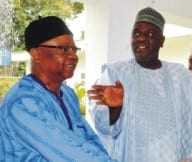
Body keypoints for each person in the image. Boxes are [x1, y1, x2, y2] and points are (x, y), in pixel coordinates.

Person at [88, 7, 192, 162]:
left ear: (162, 41)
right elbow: (102, 126)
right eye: (136, 33)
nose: (141, 38)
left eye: (149, 34)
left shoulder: (180, 75)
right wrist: (115, 109)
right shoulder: (116, 74)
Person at [0, 16, 115, 161]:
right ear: (37, 54)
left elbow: (87, 139)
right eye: (63, 49)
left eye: (74, 49)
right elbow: (70, 153)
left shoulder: (67, 94)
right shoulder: (22, 102)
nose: (73, 56)